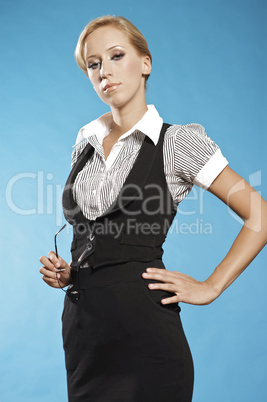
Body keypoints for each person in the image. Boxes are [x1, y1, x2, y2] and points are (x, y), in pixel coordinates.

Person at [39, 15, 267, 402]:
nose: (104, 72)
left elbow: (259, 216)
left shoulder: (178, 142)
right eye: (93, 64)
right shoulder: (86, 140)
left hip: (146, 336)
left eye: (116, 56)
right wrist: (70, 272)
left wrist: (211, 286)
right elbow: (93, 235)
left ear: (145, 63)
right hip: (84, 335)